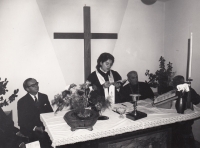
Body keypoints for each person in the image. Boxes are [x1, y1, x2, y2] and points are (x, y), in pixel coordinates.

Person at [17, 78, 53, 148]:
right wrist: (35, 128)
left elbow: (50, 113)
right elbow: (21, 122)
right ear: (27, 89)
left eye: (36, 83)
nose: (36, 86)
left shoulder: (44, 97)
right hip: (30, 128)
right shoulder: (22, 102)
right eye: (33, 85)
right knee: (43, 137)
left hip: (44, 126)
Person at [171, 75, 200, 148]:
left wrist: (188, 102)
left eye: (180, 82)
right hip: (173, 113)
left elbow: (197, 99)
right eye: (176, 82)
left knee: (184, 127)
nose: (178, 84)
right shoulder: (172, 90)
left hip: (185, 115)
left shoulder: (189, 90)